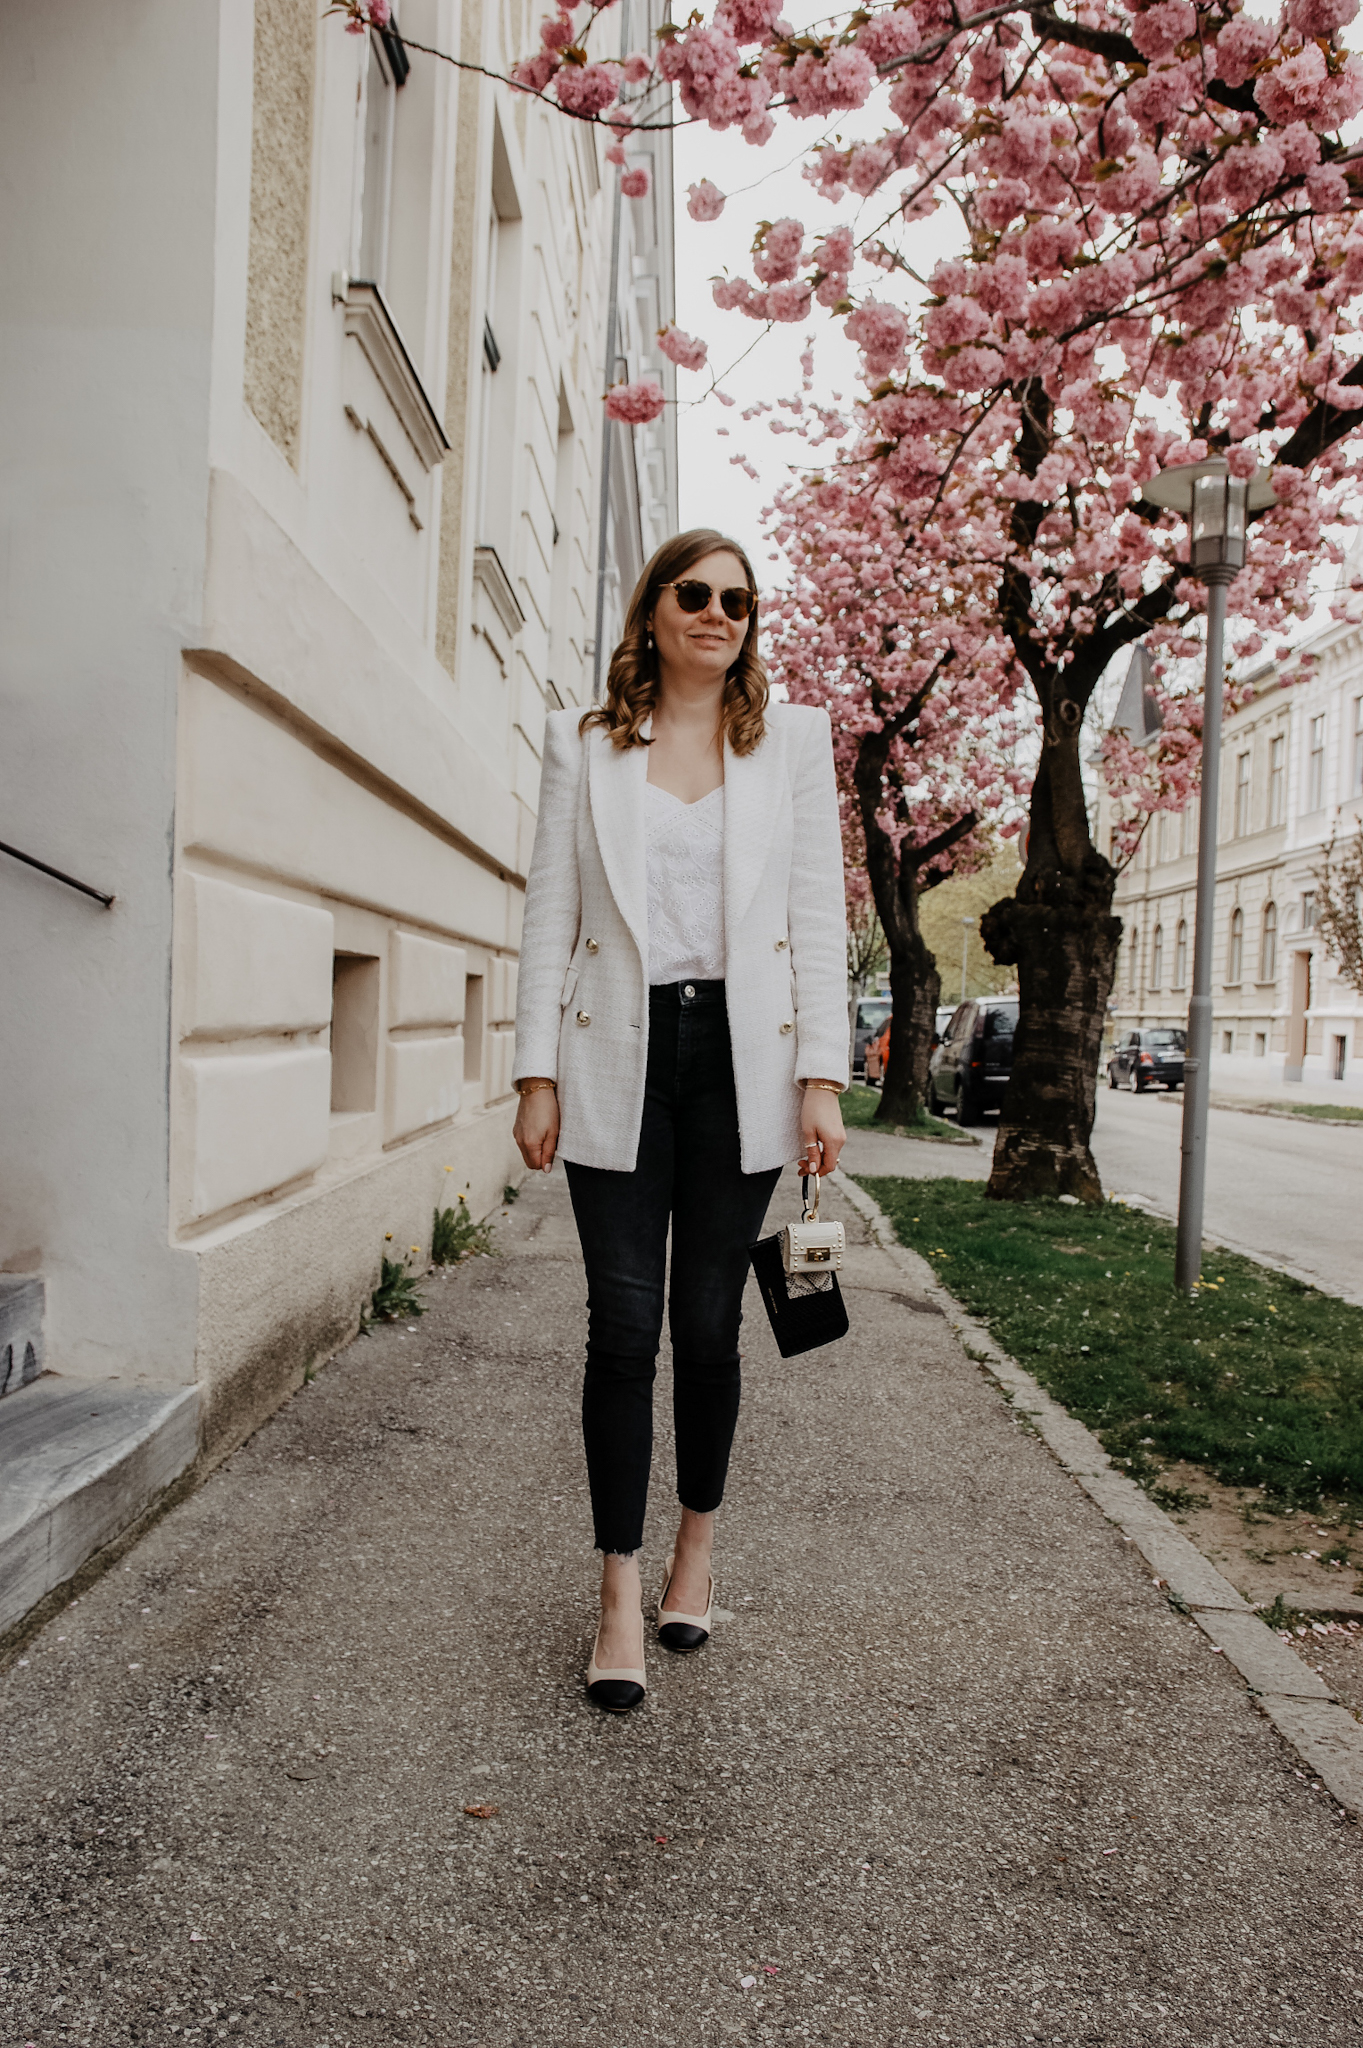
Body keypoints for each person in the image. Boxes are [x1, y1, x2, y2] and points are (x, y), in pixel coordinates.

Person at [511, 529, 848, 1712]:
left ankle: (694, 1549)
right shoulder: (584, 741)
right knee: (621, 1326)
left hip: (740, 1063)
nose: (718, 614)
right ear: (651, 606)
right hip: (616, 1051)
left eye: (739, 601)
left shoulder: (791, 743)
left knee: (709, 1326)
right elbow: (549, 911)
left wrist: (823, 1073)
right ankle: (616, 1586)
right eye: (695, 594)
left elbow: (817, 916)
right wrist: (532, 1069)